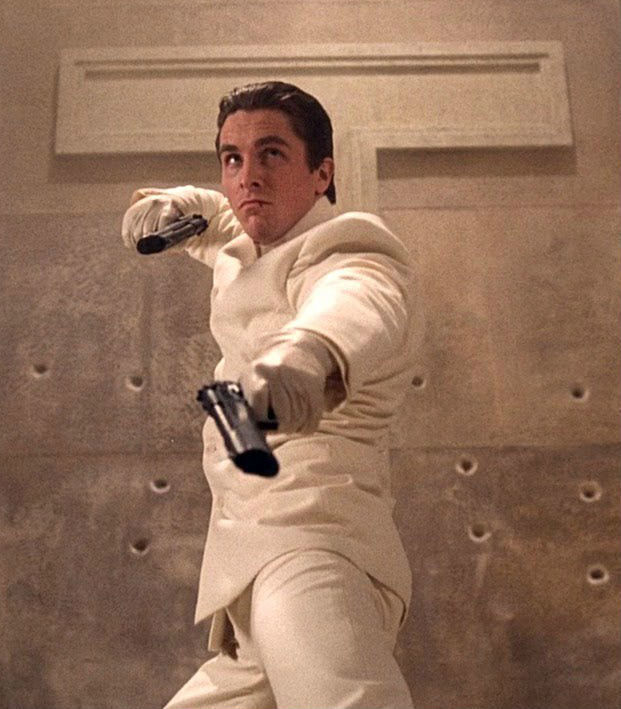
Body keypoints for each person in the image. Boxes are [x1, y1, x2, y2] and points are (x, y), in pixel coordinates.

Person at [121, 81, 418, 709]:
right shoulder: (251, 240)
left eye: (272, 154)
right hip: (250, 563)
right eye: (233, 158)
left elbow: (359, 300)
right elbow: (221, 218)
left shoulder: (347, 246)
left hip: (313, 546)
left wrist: (307, 353)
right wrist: (178, 205)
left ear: (322, 174)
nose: (247, 176)